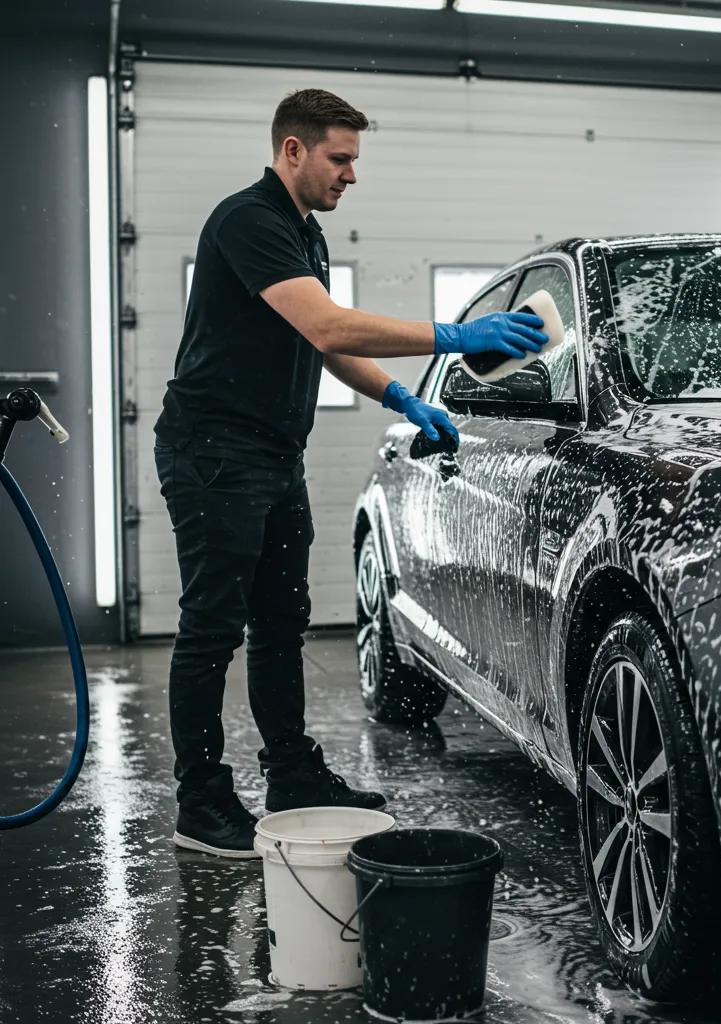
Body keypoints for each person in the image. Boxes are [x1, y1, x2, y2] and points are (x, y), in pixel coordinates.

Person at [153, 88, 548, 858]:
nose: (351, 175)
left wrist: (402, 397)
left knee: (280, 622)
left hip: (273, 454)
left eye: (354, 160)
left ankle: (292, 776)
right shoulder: (248, 221)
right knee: (211, 627)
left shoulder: (307, 236)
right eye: (340, 159)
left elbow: (325, 345)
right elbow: (329, 323)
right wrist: (456, 335)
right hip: (214, 452)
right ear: (292, 150)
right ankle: (199, 803)